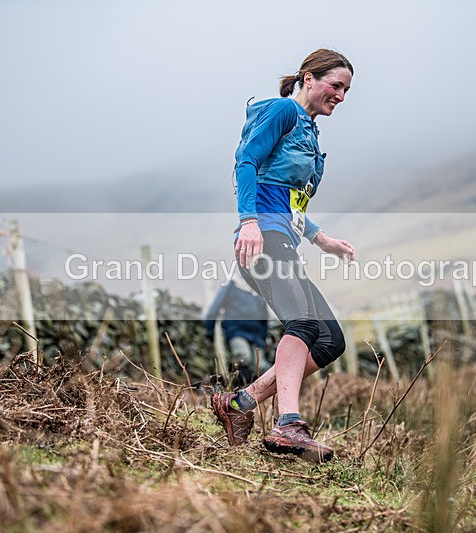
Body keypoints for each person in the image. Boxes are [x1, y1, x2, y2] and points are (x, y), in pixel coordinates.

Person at [211, 49, 355, 463]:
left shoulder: (310, 135)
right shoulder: (281, 112)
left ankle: (239, 403)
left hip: (284, 235)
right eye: (336, 85)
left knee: (329, 340)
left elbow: (291, 200)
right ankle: (288, 424)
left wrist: (319, 236)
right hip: (263, 236)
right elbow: (246, 162)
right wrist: (249, 221)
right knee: (303, 323)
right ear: (308, 78)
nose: (341, 96)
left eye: (346, 90)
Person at [204, 273, 271, 385]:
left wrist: (263, 339)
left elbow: (264, 317)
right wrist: (209, 328)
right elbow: (215, 307)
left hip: (256, 336)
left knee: (261, 367)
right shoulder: (232, 284)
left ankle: (256, 397)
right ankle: (238, 392)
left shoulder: (259, 289)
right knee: (243, 358)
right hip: (237, 332)